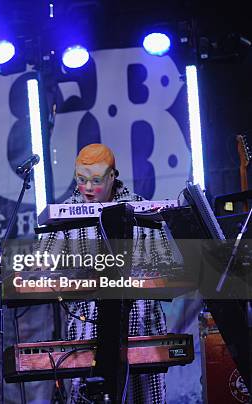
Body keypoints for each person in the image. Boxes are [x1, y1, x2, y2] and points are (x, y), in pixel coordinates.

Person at [40, 144, 172, 403]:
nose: (87, 188)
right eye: (81, 180)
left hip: (141, 331)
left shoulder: (141, 208)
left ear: (112, 176)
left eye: (96, 180)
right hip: (88, 337)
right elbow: (41, 269)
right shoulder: (64, 215)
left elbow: (169, 267)